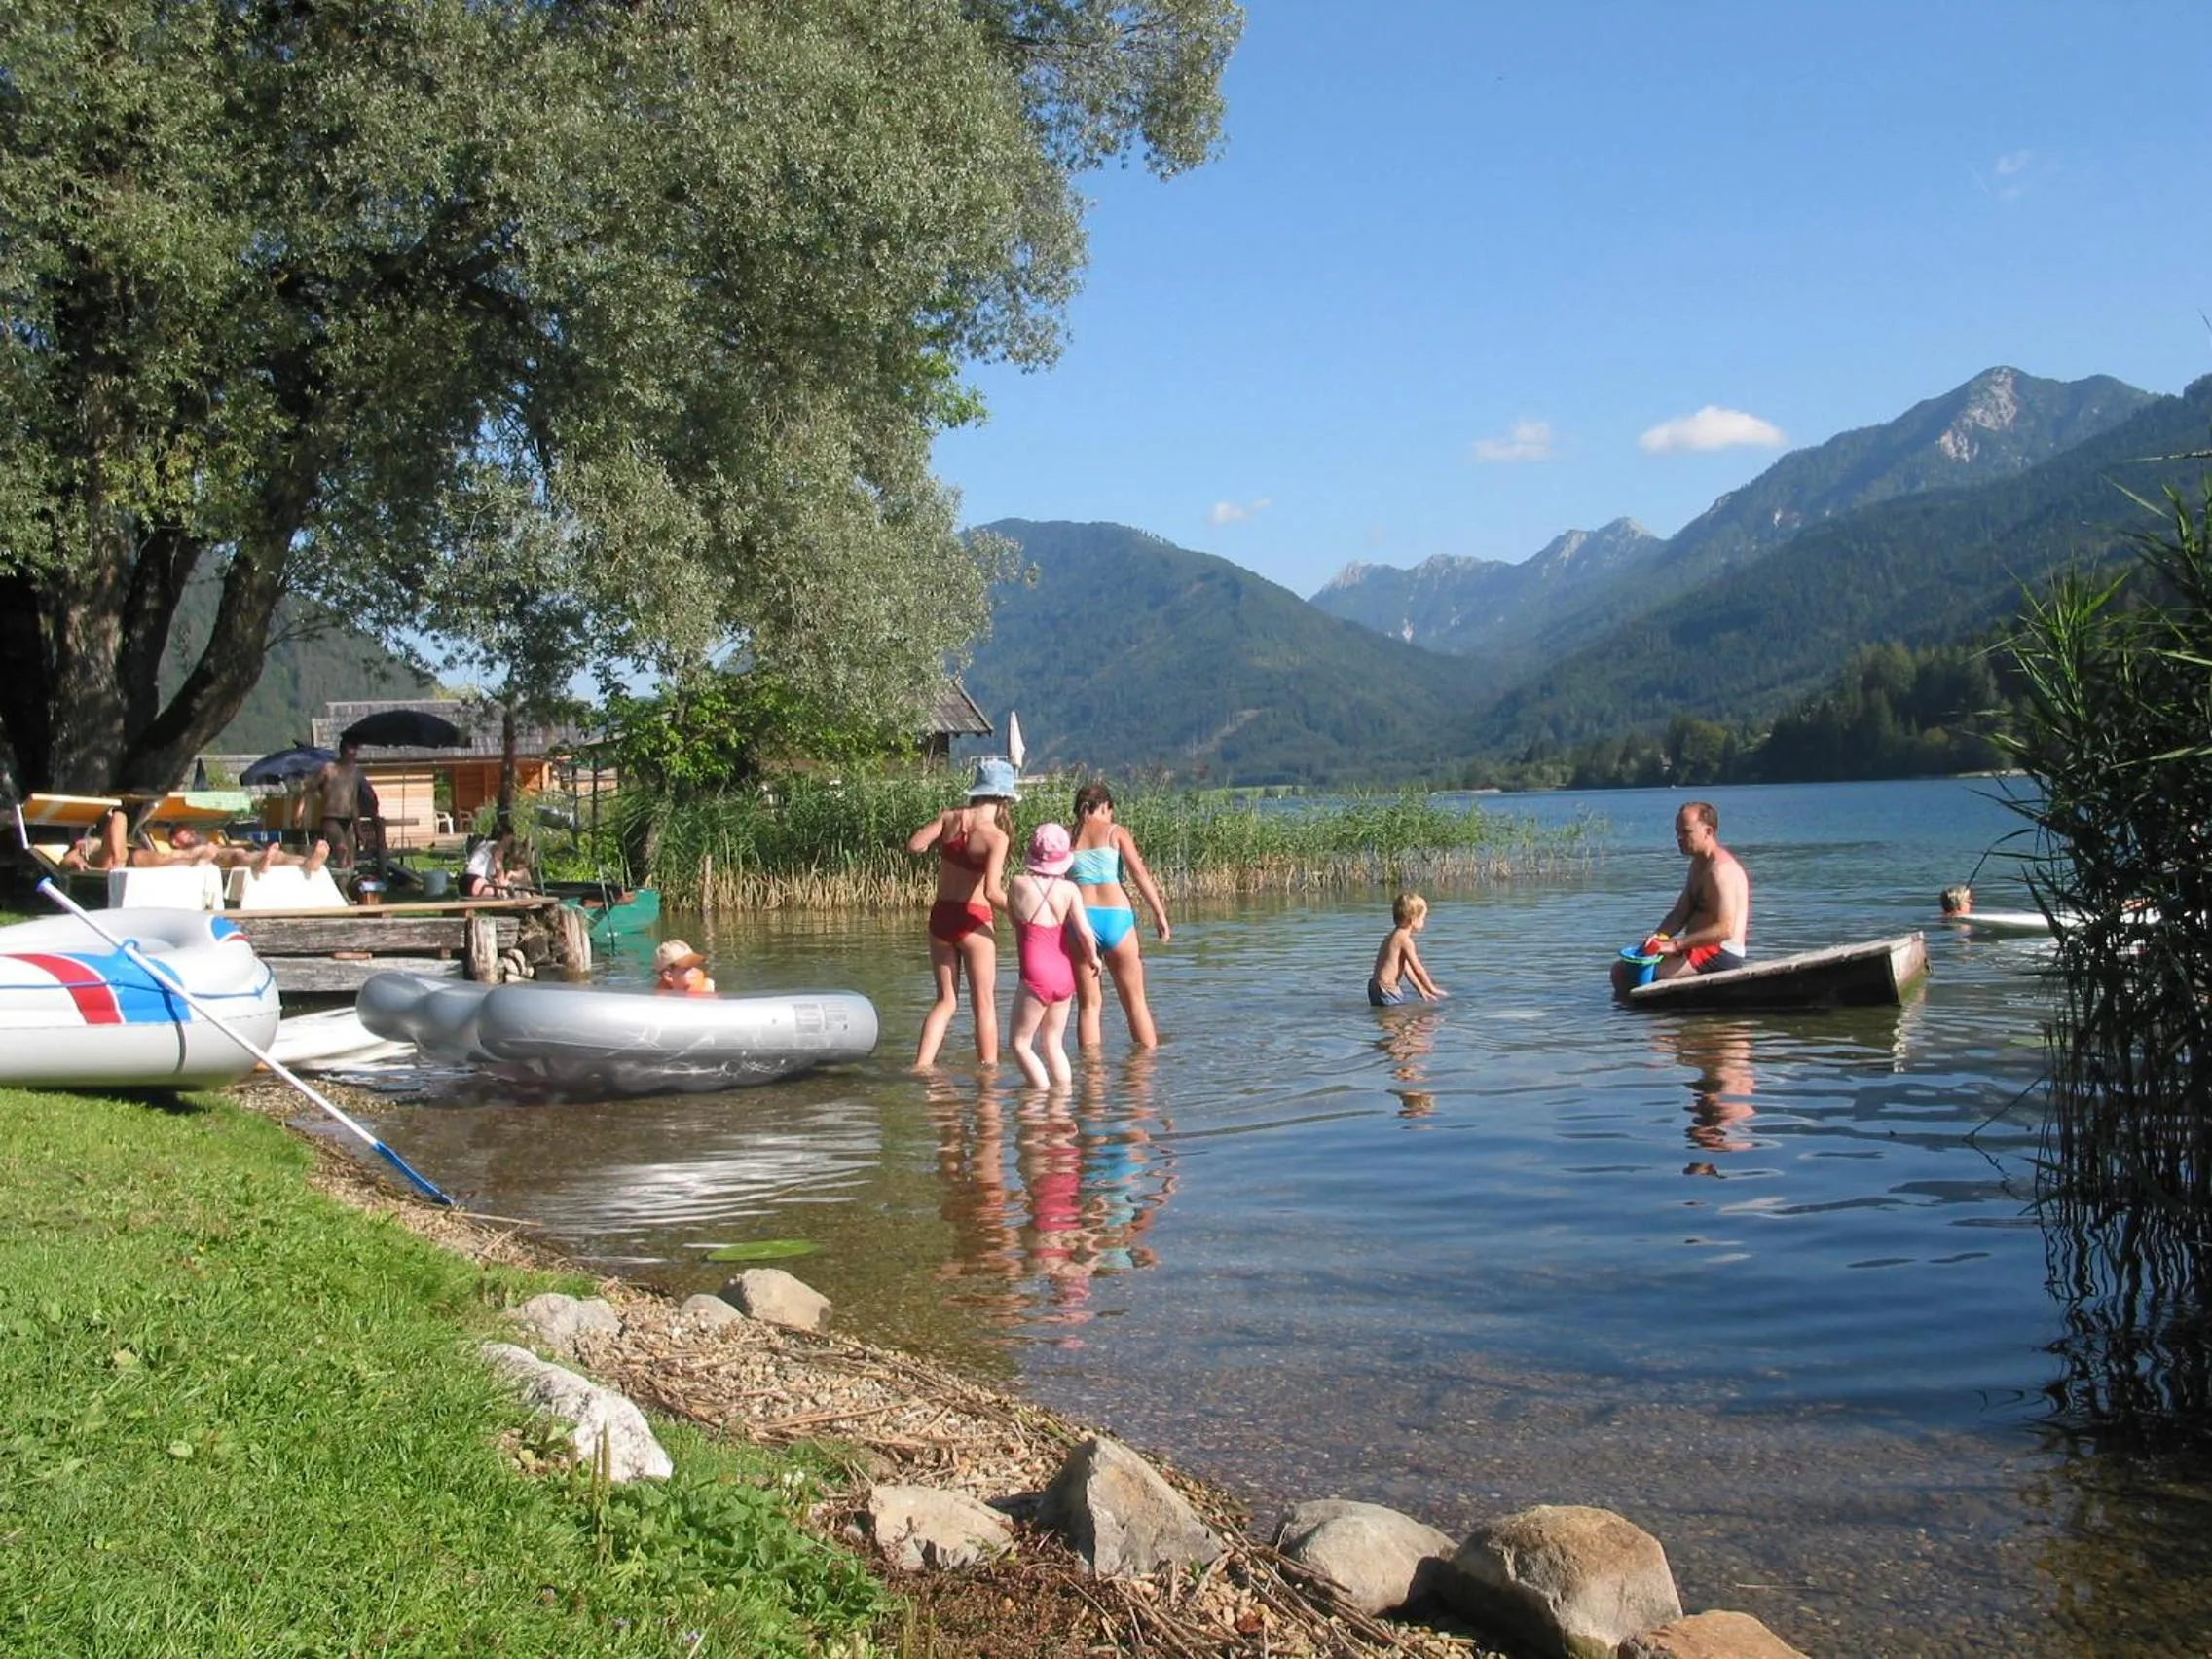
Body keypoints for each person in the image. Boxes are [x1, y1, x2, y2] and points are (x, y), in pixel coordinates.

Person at [908, 756, 1017, 1067]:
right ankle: (989, 1071)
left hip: (941, 918)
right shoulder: (996, 837)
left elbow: (915, 845)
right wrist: (1023, 913)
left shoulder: (950, 818)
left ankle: (922, 1065)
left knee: (946, 1001)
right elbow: (992, 892)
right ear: (1004, 798)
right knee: (984, 1005)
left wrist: (943, 834)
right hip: (973, 920)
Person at [1068, 781, 1172, 1050]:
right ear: (1104, 806)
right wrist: (1159, 913)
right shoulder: (1116, 832)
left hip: (1081, 920)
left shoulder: (1067, 836)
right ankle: (1143, 1076)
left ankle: (1091, 1079)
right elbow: (1139, 874)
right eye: (1110, 810)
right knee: (1135, 1001)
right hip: (1117, 918)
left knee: (1089, 1006)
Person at [1616, 800, 1751, 993]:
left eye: (1686, 832)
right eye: (1677, 832)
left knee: (1635, 975)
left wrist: (1676, 946)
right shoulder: (1697, 864)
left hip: (1721, 951)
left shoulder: (1721, 870)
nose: (1679, 838)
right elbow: (1680, 913)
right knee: (1621, 971)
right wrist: (1658, 937)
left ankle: (1644, 1019)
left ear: (1708, 832)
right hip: (1697, 948)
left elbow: (1725, 929)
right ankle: (1631, 1018)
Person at [1006, 823, 1099, 1089]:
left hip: (1036, 972)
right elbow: (1083, 931)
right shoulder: (1070, 890)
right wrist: (1094, 958)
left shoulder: (1017, 884)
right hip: (1064, 971)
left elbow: (1014, 920)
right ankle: (1062, 1102)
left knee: (1020, 1043)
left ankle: (1039, 1094)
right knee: (1053, 1044)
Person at [1369, 891, 1446, 1006]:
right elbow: (1418, 969)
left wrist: (1421, 989)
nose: (1424, 922)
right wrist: (1431, 988)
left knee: (1389, 1020)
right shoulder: (1405, 941)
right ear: (1412, 920)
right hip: (1387, 989)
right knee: (1399, 1018)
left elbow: (1406, 969)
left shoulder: (1392, 937)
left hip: (1375, 987)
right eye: (1423, 918)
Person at [313, 740, 368, 867]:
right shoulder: (329, 769)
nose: (353, 756)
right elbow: (309, 788)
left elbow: (354, 802)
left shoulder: (355, 773)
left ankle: (346, 883)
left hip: (348, 819)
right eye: (351, 753)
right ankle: (340, 878)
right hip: (330, 818)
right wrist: (301, 809)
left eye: (355, 753)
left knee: (351, 856)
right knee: (341, 848)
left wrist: (358, 829)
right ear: (343, 752)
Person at [461, 824, 518, 898]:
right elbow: (499, 868)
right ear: (505, 836)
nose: (511, 842)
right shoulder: (498, 847)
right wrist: (503, 887)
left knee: (498, 884)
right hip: (475, 882)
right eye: (511, 838)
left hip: (464, 881)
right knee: (507, 888)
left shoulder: (484, 844)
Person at [652, 938, 716, 996]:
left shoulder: (707, 992)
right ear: (668, 976)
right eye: (688, 966)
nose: (694, 969)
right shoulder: (657, 1002)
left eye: (694, 963)